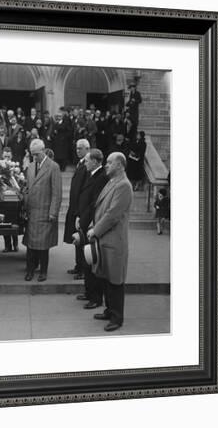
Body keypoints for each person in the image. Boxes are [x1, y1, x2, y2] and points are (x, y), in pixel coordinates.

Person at [87, 152, 133, 332]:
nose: (106, 165)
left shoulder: (123, 185)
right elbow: (101, 208)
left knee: (115, 281)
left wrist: (95, 230)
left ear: (120, 165)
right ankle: (109, 310)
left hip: (113, 241)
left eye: (109, 162)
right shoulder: (113, 181)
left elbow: (112, 215)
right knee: (106, 278)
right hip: (105, 239)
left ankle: (117, 317)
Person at [22, 139, 62, 282]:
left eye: (37, 154)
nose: (35, 157)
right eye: (32, 155)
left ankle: (43, 272)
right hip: (32, 212)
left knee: (43, 246)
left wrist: (53, 212)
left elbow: (57, 192)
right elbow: (27, 188)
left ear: (44, 151)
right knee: (30, 245)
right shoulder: (31, 166)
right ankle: (30, 271)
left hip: (45, 212)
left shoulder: (53, 167)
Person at [75, 149, 109, 309]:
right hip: (84, 220)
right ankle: (89, 293)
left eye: (88, 160)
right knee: (86, 261)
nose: (85, 163)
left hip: (92, 223)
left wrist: (83, 221)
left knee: (93, 262)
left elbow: (94, 203)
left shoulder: (101, 177)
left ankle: (96, 298)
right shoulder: (91, 173)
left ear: (95, 161)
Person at [63, 139, 90, 279]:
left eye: (80, 148)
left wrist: (80, 212)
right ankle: (78, 266)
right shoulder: (80, 163)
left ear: (87, 149)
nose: (77, 150)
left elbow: (84, 191)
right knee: (76, 240)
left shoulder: (87, 165)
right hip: (74, 208)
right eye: (77, 148)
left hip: (81, 210)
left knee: (81, 240)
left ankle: (83, 269)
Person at [1, 147, 19, 253]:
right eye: (5, 156)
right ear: (2, 156)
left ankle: (15, 244)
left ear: (11, 156)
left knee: (14, 222)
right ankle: (7, 245)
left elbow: (19, 183)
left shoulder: (15, 167)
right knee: (5, 222)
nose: (7, 158)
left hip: (14, 200)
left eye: (8, 156)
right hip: (3, 200)